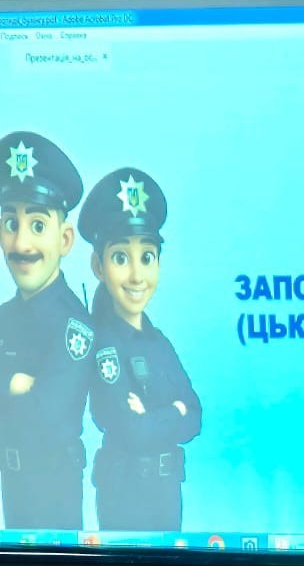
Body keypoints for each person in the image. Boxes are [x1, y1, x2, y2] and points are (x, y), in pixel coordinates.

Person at [79, 168, 200, 531]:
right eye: (121, 258)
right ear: (99, 266)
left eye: (147, 257)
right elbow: (130, 428)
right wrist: (172, 411)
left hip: (167, 491)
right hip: (126, 493)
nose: (136, 275)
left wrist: (156, 415)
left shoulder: (159, 341)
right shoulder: (103, 344)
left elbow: (195, 414)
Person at [0, 130, 94, 530]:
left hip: (52, 491)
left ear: (65, 239)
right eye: (11, 222)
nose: (21, 243)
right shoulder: (3, 316)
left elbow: (44, 420)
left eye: (37, 224)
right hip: (12, 484)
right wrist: (14, 385)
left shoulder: (75, 325)